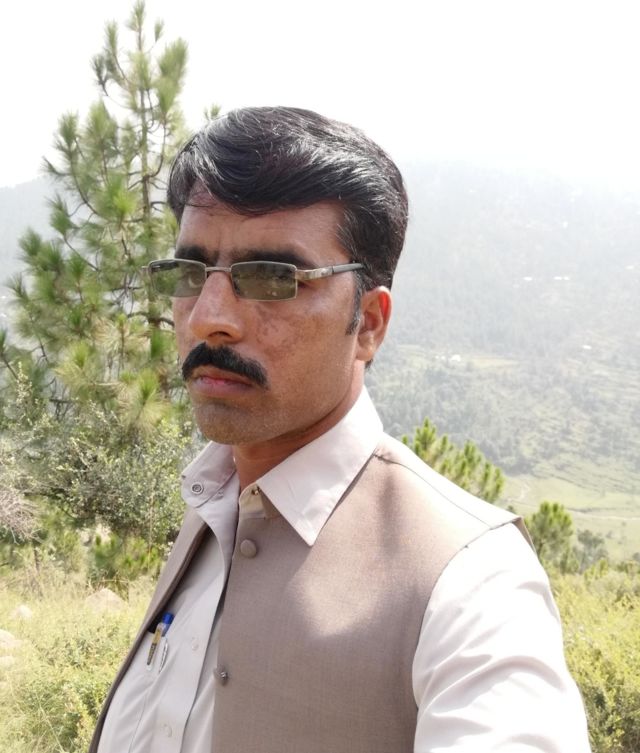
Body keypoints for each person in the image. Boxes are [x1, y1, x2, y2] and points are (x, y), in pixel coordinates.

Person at [91, 106, 591, 753]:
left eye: (271, 278)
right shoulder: (212, 511)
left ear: (370, 324)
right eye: (191, 274)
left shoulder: (470, 582)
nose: (210, 317)